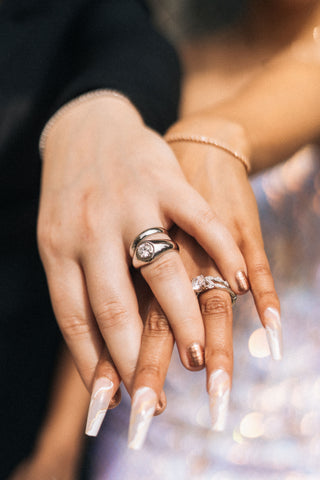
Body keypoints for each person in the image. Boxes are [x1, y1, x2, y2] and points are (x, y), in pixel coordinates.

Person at [88, 0, 320, 477]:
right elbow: (114, 288)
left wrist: (211, 136)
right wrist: (56, 444)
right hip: (161, 417)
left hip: (303, 422)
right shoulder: (166, 68)